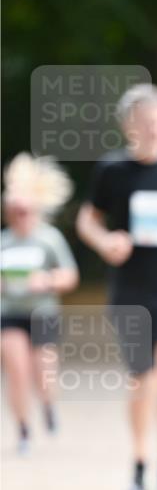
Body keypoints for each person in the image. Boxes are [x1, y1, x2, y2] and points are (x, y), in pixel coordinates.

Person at [76, 84, 157, 490]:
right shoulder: (112, 171)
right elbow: (87, 220)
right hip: (130, 290)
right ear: (128, 125)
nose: (154, 131)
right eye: (145, 123)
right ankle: (140, 462)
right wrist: (106, 240)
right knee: (142, 379)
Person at [1, 153, 79, 453]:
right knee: (16, 369)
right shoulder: (4, 241)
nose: (21, 216)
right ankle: (22, 428)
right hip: (9, 313)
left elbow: (70, 276)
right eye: (15, 211)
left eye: (25, 211)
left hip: (42, 313)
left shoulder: (49, 239)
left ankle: (48, 404)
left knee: (43, 372)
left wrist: (45, 281)